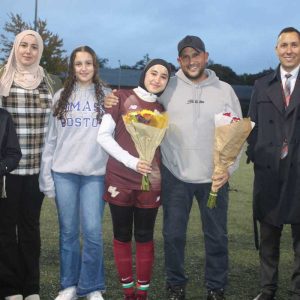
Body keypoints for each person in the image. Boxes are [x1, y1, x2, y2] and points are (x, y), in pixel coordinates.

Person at [104, 36, 242, 300]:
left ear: (206, 56)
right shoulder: (168, 86)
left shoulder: (225, 90)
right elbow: (141, 98)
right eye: (185, 56)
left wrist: (228, 169)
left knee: (216, 236)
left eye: (196, 55)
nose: (191, 61)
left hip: (213, 178)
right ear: (180, 60)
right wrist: (110, 99)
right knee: (173, 235)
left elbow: (236, 133)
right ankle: (175, 285)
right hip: (176, 176)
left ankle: (216, 286)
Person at [39, 46, 110, 300]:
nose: (83, 68)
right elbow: (51, 139)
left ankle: (91, 286)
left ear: (95, 65)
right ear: (72, 67)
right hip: (64, 173)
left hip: (95, 174)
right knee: (68, 231)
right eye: (78, 63)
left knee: (92, 231)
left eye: (88, 63)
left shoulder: (107, 96)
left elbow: (114, 139)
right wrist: (46, 178)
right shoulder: (60, 97)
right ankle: (68, 284)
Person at [97, 58, 171, 300]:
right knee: (121, 234)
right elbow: (103, 137)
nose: (157, 79)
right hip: (120, 178)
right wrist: (131, 161)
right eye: (153, 73)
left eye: (163, 76)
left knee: (145, 235)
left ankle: (142, 294)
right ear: (144, 74)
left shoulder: (162, 108)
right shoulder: (120, 97)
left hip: (151, 182)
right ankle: (128, 292)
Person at [0, 29, 61, 300]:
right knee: (5, 230)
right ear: (15, 48)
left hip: (36, 170)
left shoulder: (48, 81)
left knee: (30, 229)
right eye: (23, 45)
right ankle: (10, 288)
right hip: (6, 172)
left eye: (33, 46)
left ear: (40, 51)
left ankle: (31, 287)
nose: (27, 51)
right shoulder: (2, 78)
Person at [246, 27, 300, 300]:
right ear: (276, 50)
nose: (289, 50)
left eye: (294, 45)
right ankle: (267, 290)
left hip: (299, 173)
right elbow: (251, 126)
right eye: (284, 45)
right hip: (268, 172)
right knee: (269, 236)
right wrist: (255, 154)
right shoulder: (261, 85)